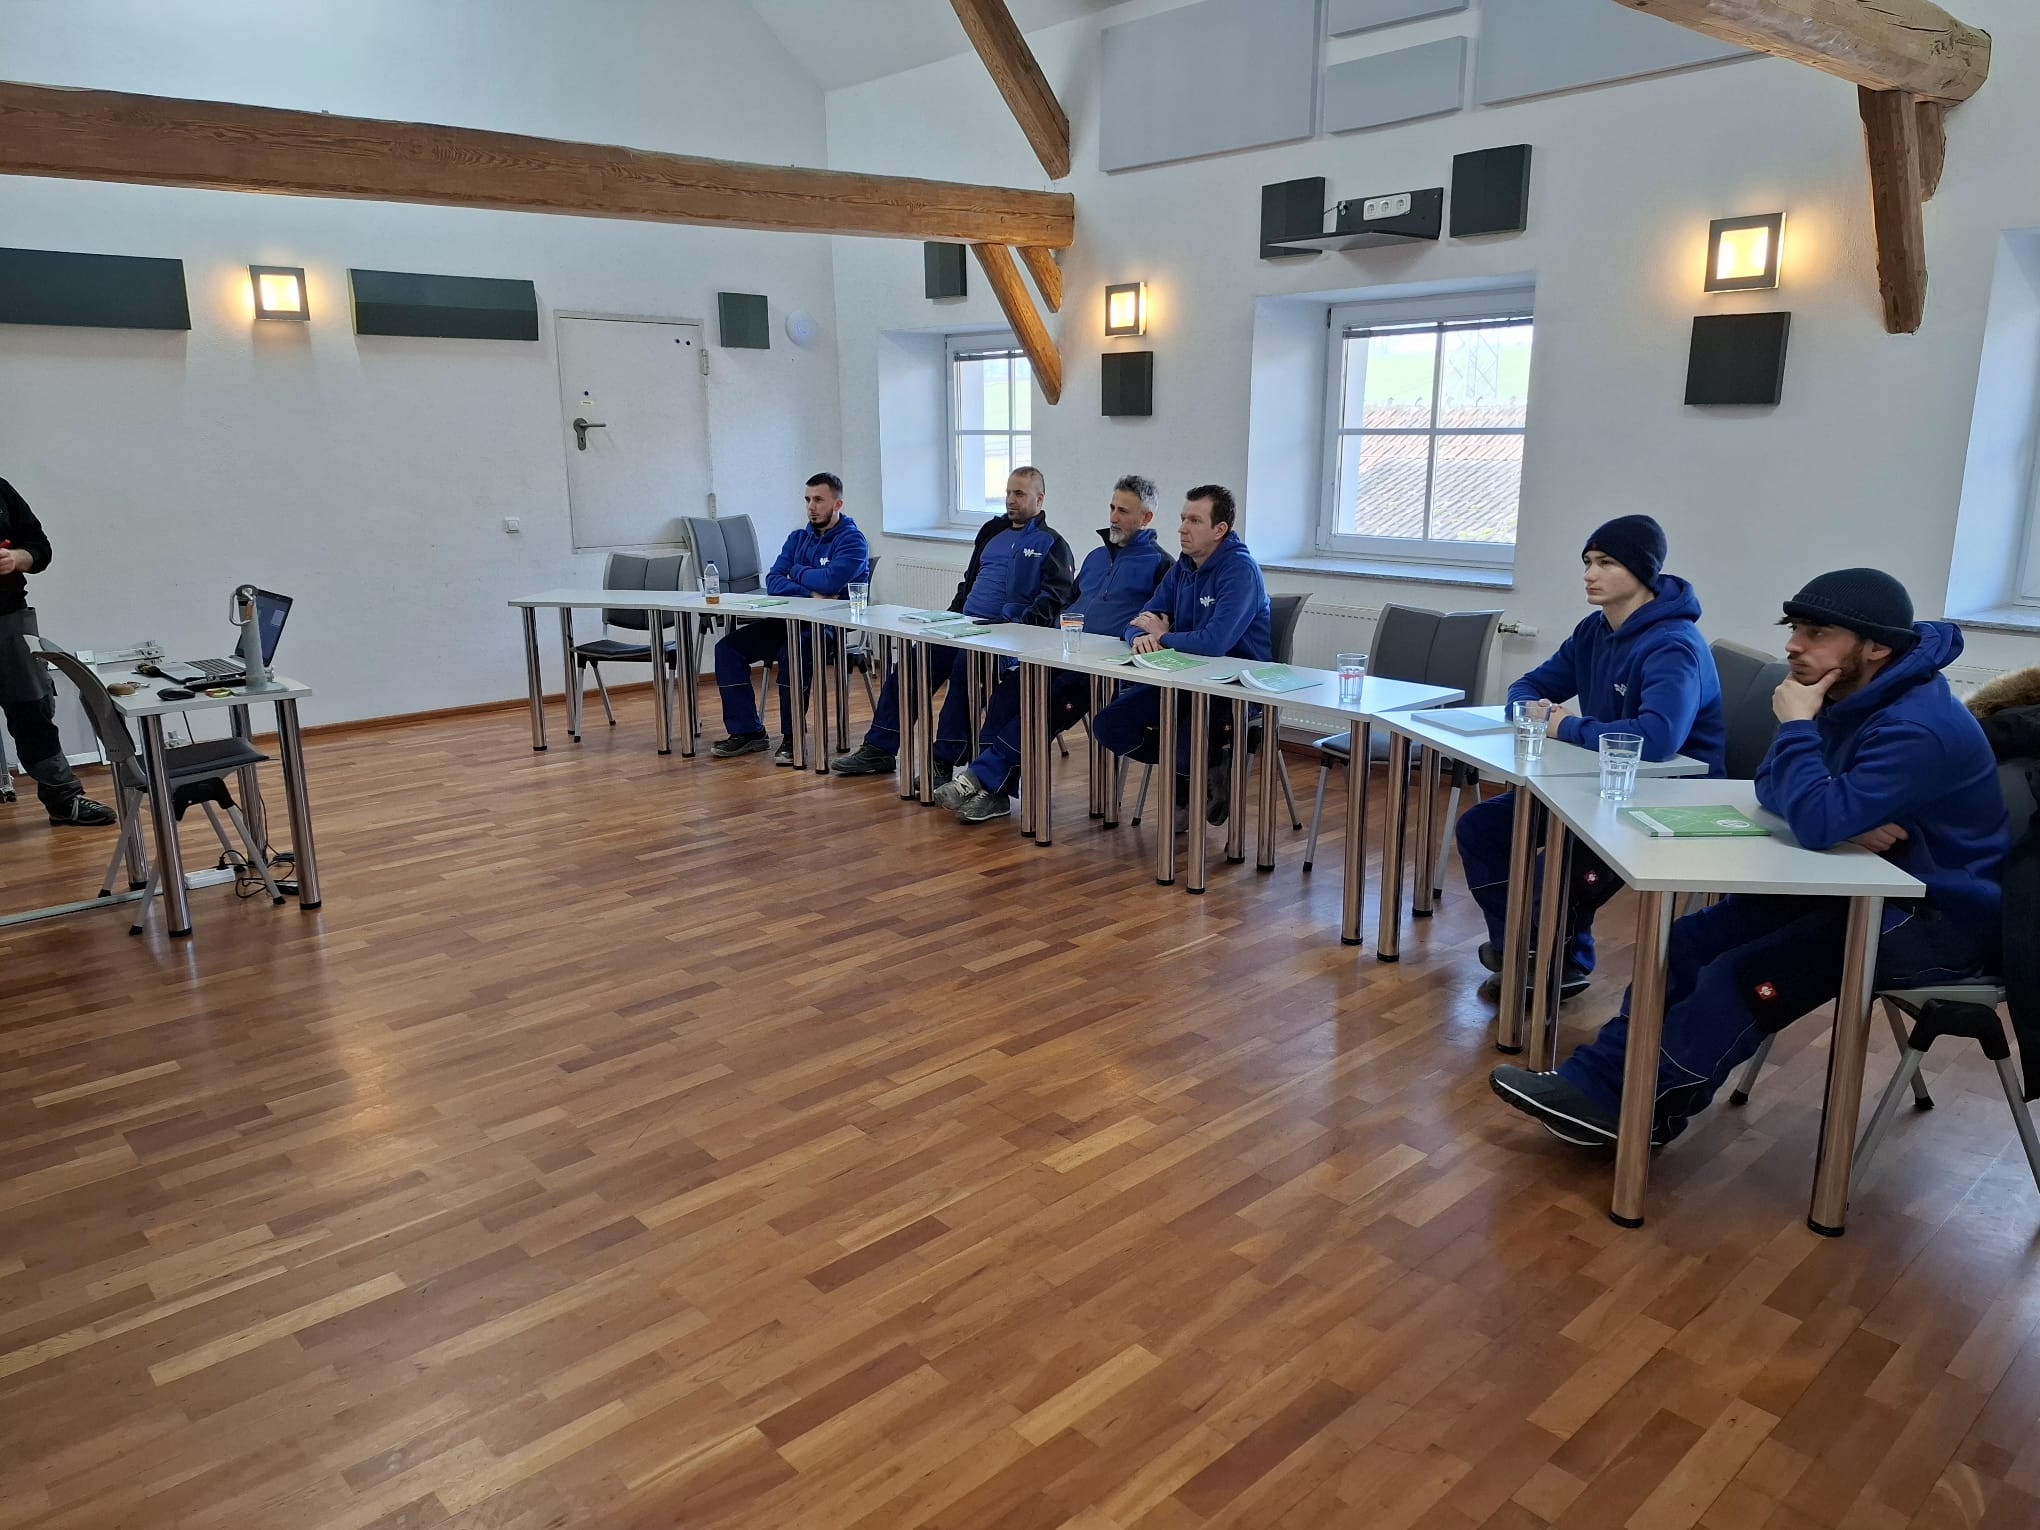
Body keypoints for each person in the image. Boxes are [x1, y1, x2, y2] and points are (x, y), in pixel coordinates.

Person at [1492, 568, 2010, 1148]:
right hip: (1854, 882)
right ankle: (1601, 1084)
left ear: (1877, 647)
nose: (1793, 645)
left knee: (1737, 977)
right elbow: (1770, 785)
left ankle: (1637, 1111)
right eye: (1795, 629)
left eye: (1816, 633)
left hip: (1934, 919)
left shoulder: (1917, 725)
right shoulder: (1850, 695)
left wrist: (1809, 761)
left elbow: (1815, 820)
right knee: (1685, 943)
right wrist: (1834, 810)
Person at [1456, 515, 1725, 1002]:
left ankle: (1546, 957)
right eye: (1587, 562)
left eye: (1606, 563)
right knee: (1483, 829)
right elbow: (1529, 686)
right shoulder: (1593, 631)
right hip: (1599, 783)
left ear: (1642, 572)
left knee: (1555, 873)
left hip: (1668, 796)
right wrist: (1530, 711)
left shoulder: (1673, 645)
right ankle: (1530, 950)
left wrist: (1564, 726)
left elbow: (1656, 739)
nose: (1589, 574)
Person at [935, 474, 1173, 824]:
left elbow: (1154, 624)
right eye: (1112, 507)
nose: (1113, 517)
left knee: (1043, 704)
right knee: (1008, 693)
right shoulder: (1095, 558)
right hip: (1062, 654)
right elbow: (1068, 605)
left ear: (1146, 518)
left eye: (1123, 511)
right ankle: (992, 790)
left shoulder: (1161, 566)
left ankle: (979, 779)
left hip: (1103, 671)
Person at [830, 467, 1075, 782]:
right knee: (914, 662)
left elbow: (1054, 600)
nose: (1010, 500)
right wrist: (950, 616)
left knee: (965, 667)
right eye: (1008, 493)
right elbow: (969, 581)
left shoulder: (1051, 543)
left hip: (1007, 636)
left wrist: (1015, 623)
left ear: (1039, 499)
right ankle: (880, 747)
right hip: (964, 625)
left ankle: (943, 760)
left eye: (1019, 494)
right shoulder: (992, 532)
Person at [1091, 484, 1272, 826]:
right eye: (1183, 518)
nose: (1182, 528)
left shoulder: (1240, 571)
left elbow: (1215, 643)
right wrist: (1141, 636)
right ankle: (1207, 766)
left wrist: (1163, 636)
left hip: (1233, 689)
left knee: (1188, 740)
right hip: (1182, 679)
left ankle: (1192, 776)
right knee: (1109, 725)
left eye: (1194, 521)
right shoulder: (1183, 568)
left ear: (1220, 529)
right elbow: (1136, 622)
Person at [710, 473, 870, 764]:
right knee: (727, 649)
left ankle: (792, 738)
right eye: (808, 500)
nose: (811, 507)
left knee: (792, 653)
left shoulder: (853, 541)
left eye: (819, 500)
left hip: (826, 627)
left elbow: (831, 581)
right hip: (787, 621)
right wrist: (809, 592)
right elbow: (773, 581)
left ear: (838, 504)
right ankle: (747, 732)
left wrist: (795, 572)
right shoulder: (798, 538)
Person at [0, 477, 115, 827]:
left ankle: (63, 799)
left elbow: (39, 549)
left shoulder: (1, 491)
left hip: (8, 618)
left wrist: (15, 558)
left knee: (32, 709)